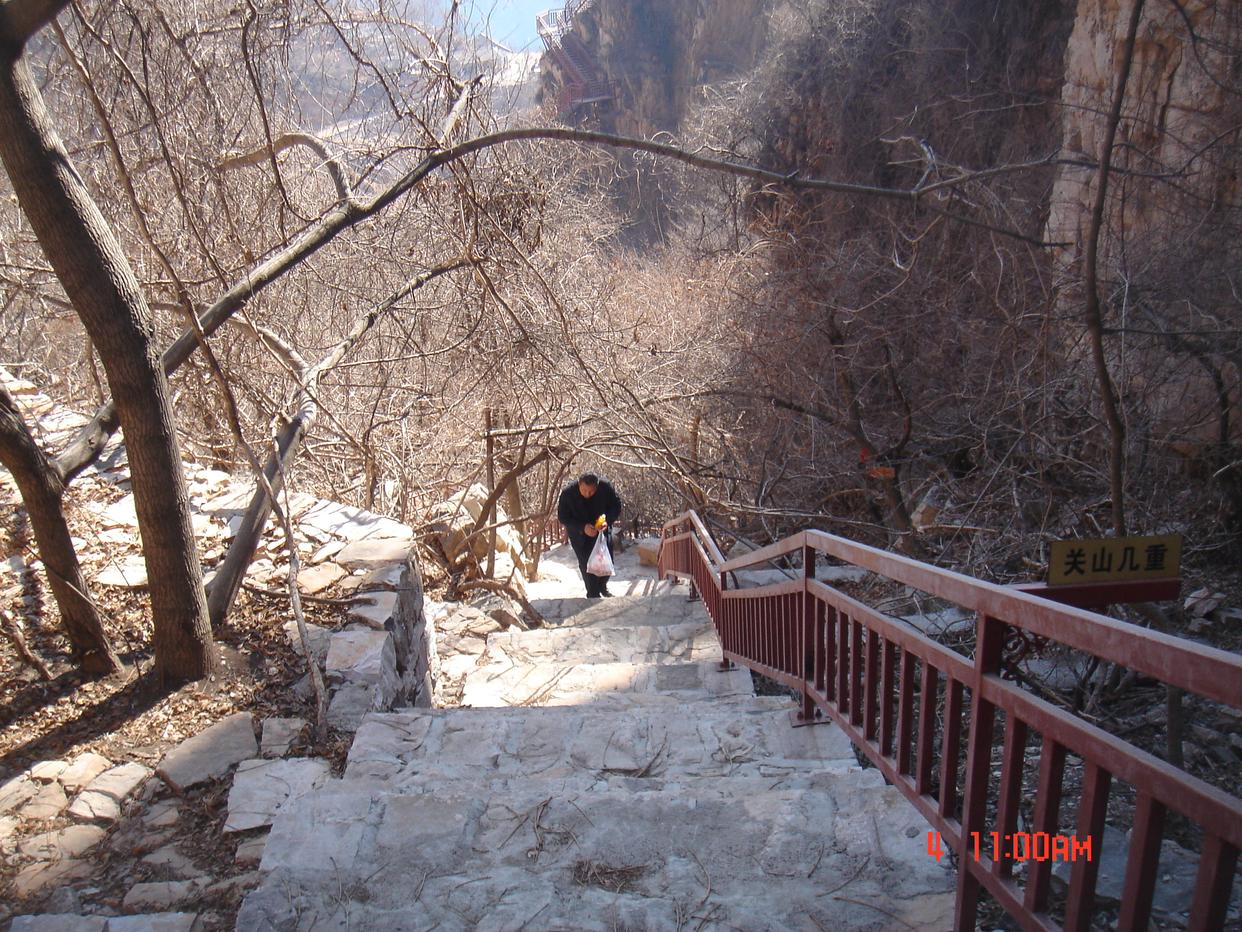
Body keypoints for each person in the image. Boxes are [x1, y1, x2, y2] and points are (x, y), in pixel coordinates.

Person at [557, 472, 622, 598]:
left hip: (602, 531)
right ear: (579, 484)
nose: (588, 494)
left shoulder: (605, 488)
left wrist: (607, 520)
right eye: (584, 490)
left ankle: (602, 586)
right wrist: (582, 527)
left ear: (597, 487)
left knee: (607, 560)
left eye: (591, 491)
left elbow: (616, 505)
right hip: (580, 534)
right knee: (587, 564)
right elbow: (563, 517)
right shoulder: (567, 494)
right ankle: (593, 593)